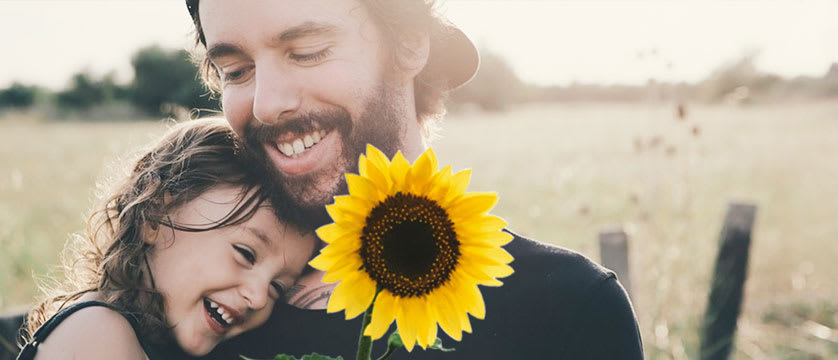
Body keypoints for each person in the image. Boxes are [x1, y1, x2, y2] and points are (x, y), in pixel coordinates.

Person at [185, 0, 644, 359]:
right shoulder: (195, 306)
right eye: (236, 72)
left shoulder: (567, 309)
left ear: (409, 45)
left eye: (307, 52)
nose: (266, 103)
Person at [16, 119, 317, 359]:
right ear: (155, 214)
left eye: (278, 287)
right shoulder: (97, 333)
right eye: (246, 254)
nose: (259, 296)